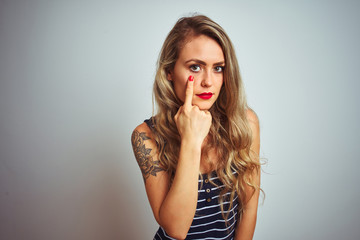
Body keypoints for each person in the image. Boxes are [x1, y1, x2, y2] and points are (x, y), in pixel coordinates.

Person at [131, 14, 261, 240]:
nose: (208, 81)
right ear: (169, 71)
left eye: (218, 68)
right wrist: (191, 140)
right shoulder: (145, 136)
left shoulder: (245, 123)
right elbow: (176, 229)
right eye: (195, 67)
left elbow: (249, 208)